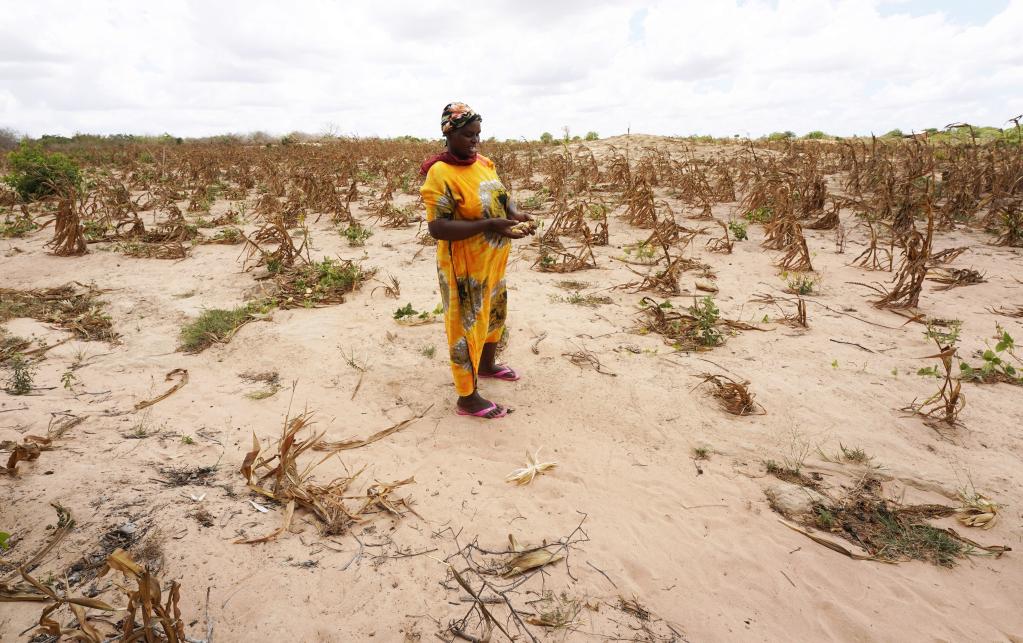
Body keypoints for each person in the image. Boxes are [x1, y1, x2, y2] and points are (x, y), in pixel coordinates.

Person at [420, 102, 533, 419]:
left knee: (494, 315)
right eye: (468, 135)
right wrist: (488, 225)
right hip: (464, 268)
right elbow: (438, 228)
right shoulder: (439, 173)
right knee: (465, 326)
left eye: (478, 135)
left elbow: (502, 199)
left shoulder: (484, 163)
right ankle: (467, 398)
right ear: (449, 133)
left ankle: (487, 366)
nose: (475, 141)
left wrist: (516, 215)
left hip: (493, 262)